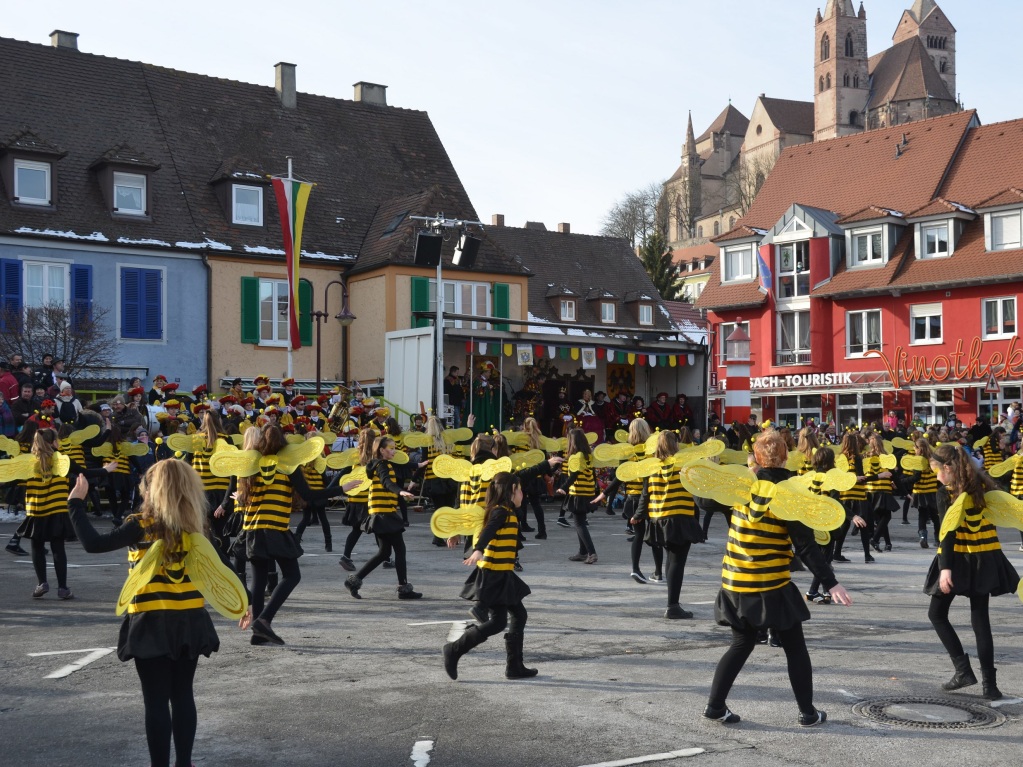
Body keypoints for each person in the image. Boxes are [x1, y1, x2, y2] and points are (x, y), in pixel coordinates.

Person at [67, 460, 248, 767]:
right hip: (189, 619)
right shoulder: (196, 525)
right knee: (182, 696)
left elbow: (94, 544)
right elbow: (223, 568)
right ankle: (184, 763)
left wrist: (75, 503)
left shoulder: (141, 523)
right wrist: (246, 602)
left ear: (151, 489)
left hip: (150, 619)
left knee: (155, 701)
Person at [703, 430, 852, 727]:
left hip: (735, 580)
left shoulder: (741, 486)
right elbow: (806, 546)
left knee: (741, 644)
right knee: (795, 647)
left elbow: (706, 503)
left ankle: (715, 707)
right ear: (785, 456)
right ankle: (808, 713)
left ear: (756, 458)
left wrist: (716, 469)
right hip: (768, 582)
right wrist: (830, 582)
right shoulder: (788, 492)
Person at [924, 443, 1020, 700]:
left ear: (947, 468)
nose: (936, 476)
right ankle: (990, 686)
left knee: (936, 613)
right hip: (986, 557)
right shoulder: (983, 486)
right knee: (980, 621)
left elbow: (948, 532)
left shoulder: (947, 493)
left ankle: (963, 670)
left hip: (959, 559)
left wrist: (945, 569)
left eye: (936, 470)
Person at [443, 472, 539, 681]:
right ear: (512, 490)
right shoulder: (501, 512)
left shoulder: (505, 511)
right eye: (520, 490)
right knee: (497, 622)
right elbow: (488, 530)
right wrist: (478, 549)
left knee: (518, 615)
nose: (523, 494)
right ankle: (454, 649)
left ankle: (514, 666)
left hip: (502, 573)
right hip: (493, 575)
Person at [14, 428, 116, 599]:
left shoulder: (28, 462)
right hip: (57, 509)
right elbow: (84, 472)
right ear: (54, 442)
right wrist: (106, 470)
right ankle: (62, 588)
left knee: (37, 548)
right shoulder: (62, 460)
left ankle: (42, 584)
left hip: (36, 511)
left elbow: (9, 480)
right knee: (57, 549)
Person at [632, 430, 703, 618]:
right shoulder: (684, 466)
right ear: (675, 445)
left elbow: (645, 494)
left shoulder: (652, 467)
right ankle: (673, 606)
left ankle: (672, 603)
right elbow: (697, 492)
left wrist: (638, 515)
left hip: (659, 519)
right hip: (680, 517)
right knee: (677, 563)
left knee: (670, 561)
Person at [344, 435, 421, 600]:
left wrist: (417, 465)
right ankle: (403, 588)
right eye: (391, 448)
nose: (394, 451)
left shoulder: (377, 464)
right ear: (381, 450)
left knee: (384, 552)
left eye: (394, 448)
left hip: (379, 512)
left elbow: (399, 467)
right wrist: (400, 491)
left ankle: (354, 581)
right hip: (384, 514)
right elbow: (387, 483)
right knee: (399, 549)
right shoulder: (382, 465)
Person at [604, 418, 664, 583]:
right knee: (654, 536)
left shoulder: (626, 452)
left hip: (632, 497)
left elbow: (619, 477)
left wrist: (605, 493)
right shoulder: (652, 450)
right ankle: (658, 572)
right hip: (651, 498)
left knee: (638, 535)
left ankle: (635, 569)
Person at [562, 428, 604, 564]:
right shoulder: (588, 455)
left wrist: (563, 488)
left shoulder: (576, 457)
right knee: (580, 522)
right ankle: (582, 552)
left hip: (578, 493)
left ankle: (591, 553)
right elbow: (592, 474)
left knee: (579, 524)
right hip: (587, 492)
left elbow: (574, 475)